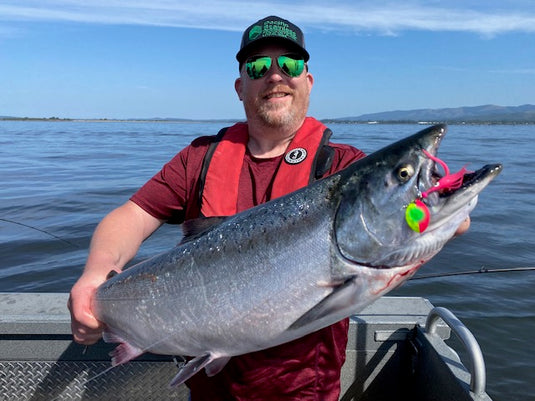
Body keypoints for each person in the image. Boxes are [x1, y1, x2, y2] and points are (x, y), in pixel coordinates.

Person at [69, 16, 470, 400]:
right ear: (240, 85)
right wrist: (93, 277)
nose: (274, 75)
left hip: (304, 393)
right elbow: (131, 216)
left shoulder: (344, 168)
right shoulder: (199, 159)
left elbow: (409, 218)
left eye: (290, 64)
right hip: (209, 391)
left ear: (307, 81)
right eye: (258, 66)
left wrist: (435, 214)